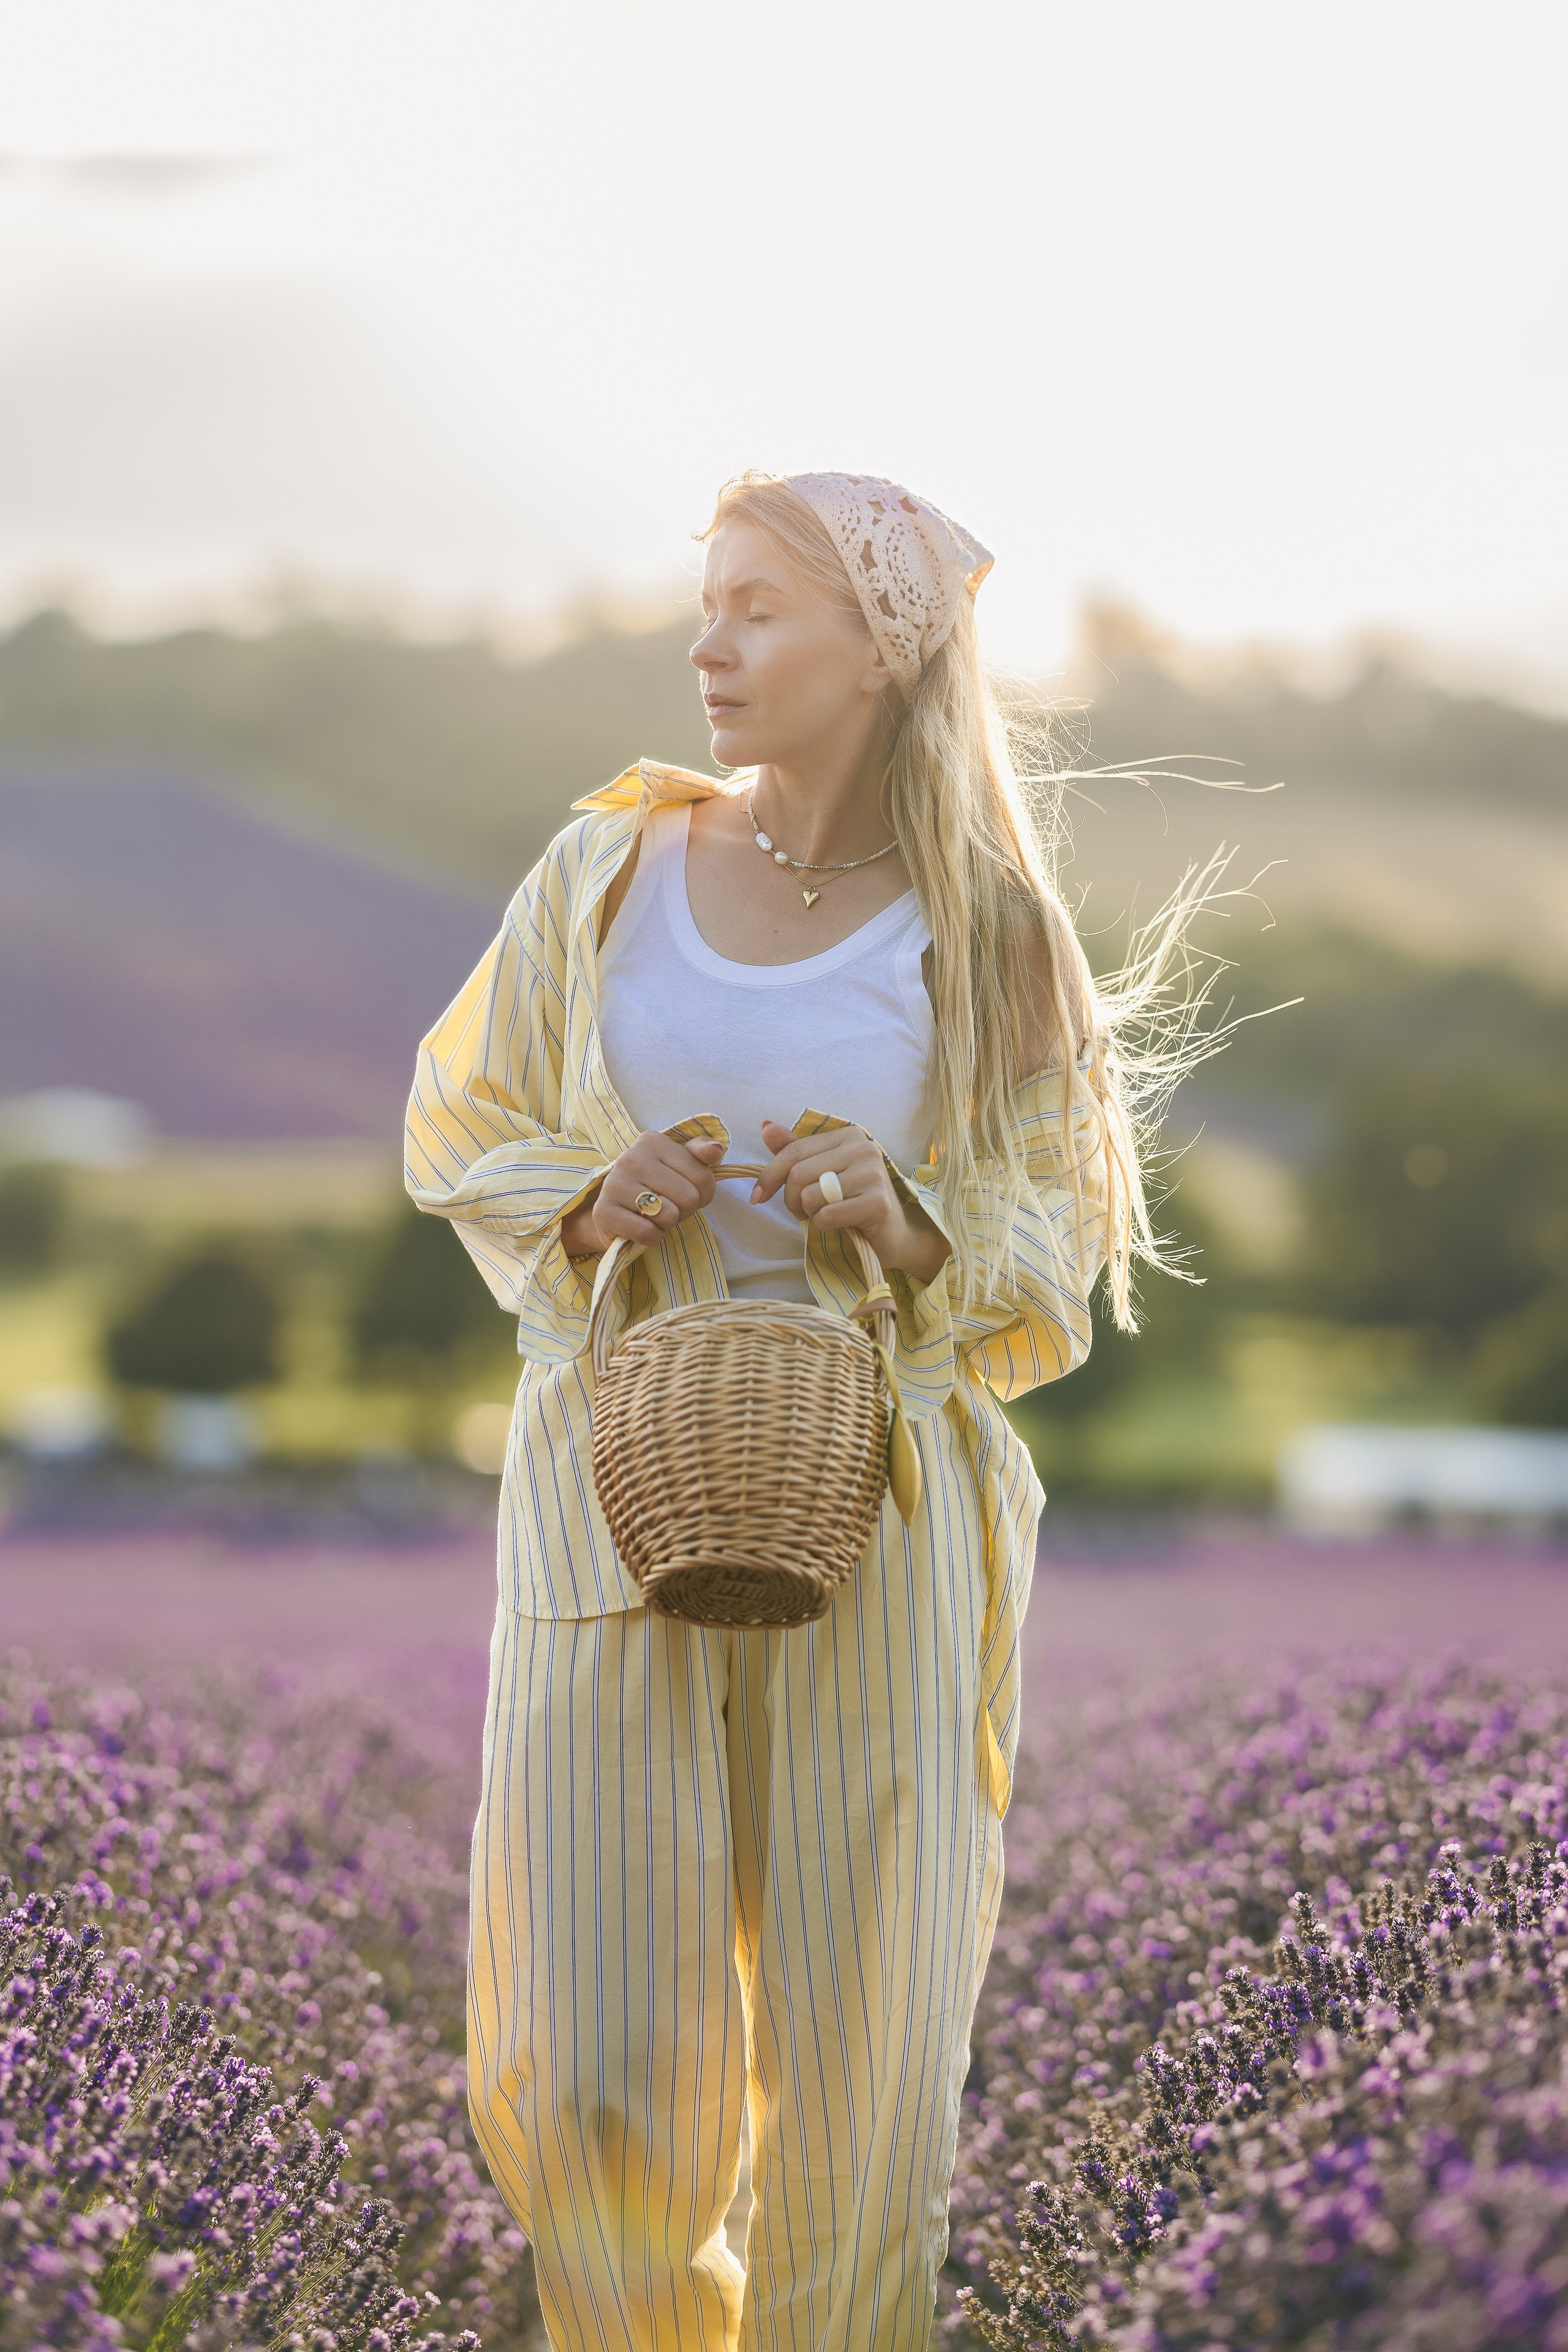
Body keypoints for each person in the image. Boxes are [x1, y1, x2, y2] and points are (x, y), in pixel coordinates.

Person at [405, 471, 1166, 2351]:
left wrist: (907, 1227)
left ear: (885, 646)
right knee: (585, 2064)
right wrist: (586, 1199)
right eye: (710, 602)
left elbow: (1052, 1246)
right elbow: (460, 1122)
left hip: (887, 1510)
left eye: (757, 609)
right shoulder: (602, 872)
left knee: (858, 2069)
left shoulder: (992, 928)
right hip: (609, 1484)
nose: (707, 644)